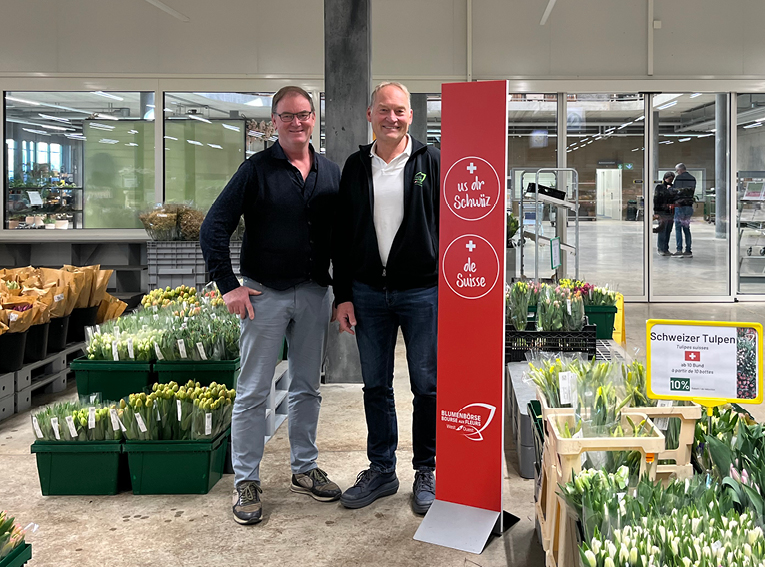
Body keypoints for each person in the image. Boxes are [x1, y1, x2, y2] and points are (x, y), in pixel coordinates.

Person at [200, 86, 342, 526]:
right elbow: (214, 226)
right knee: (253, 391)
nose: (296, 122)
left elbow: (342, 238)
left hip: (315, 293)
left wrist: (344, 292)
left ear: (314, 118)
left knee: (307, 387)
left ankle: (304, 468)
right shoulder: (255, 170)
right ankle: (246, 480)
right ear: (274, 122)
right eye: (287, 116)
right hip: (264, 296)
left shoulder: (330, 172)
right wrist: (229, 285)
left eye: (303, 114)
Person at [332, 82, 440, 515]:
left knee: (426, 385)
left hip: (422, 291)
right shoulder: (357, 165)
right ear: (369, 114)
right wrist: (343, 295)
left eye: (399, 111)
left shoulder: (431, 160)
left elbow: (451, 224)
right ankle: (381, 469)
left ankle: (426, 469)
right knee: (376, 385)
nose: (391, 118)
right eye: (383, 110)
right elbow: (342, 235)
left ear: (410, 115)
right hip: (367, 293)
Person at [672, 163, 696, 258]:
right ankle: (688, 250)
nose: (677, 172)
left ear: (680, 170)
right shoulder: (692, 178)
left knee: (678, 228)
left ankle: (679, 250)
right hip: (689, 206)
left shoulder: (679, 178)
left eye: (677, 171)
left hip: (680, 206)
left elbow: (675, 191)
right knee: (686, 228)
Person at [653, 172, 675, 256]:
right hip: (661, 212)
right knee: (662, 230)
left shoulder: (673, 187)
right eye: (669, 179)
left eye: (672, 179)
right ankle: (661, 248)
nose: (671, 181)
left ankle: (666, 249)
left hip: (670, 212)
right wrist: (656, 212)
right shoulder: (660, 187)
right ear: (665, 178)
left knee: (668, 231)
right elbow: (656, 199)